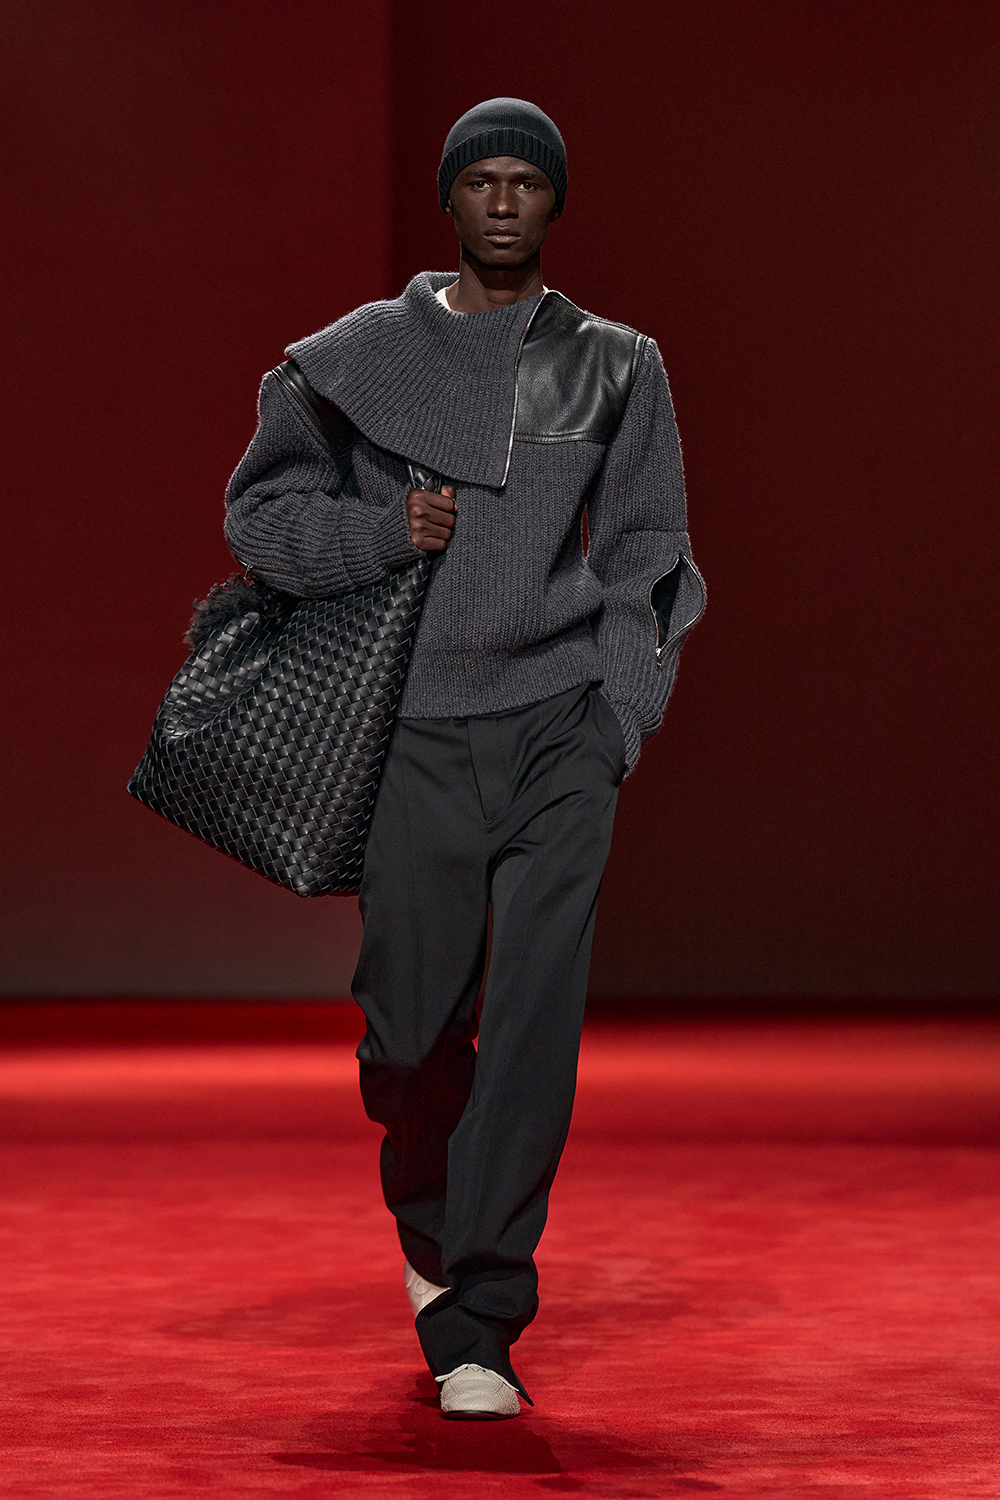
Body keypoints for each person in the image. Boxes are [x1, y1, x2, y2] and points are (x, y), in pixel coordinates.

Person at [224, 98, 705, 1419]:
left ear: (555, 202)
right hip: (414, 734)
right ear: (450, 199)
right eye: (480, 180)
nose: (503, 201)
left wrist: (619, 717)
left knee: (536, 1020)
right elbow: (261, 513)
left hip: (559, 726)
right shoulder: (357, 357)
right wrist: (382, 534)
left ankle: (484, 1313)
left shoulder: (618, 365)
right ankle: (437, 1234)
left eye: (525, 182)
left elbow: (651, 551)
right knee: (408, 1035)